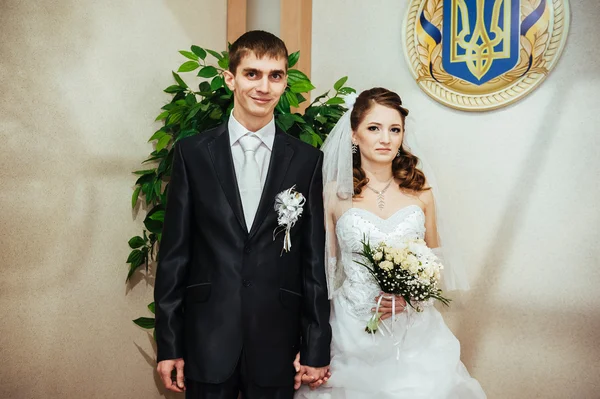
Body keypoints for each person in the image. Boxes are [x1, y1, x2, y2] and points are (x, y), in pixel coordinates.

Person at [154, 30, 331, 399]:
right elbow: (174, 257)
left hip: (277, 342)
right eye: (252, 73)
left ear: (285, 81)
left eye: (275, 75)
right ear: (230, 78)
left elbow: (313, 263)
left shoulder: (306, 161)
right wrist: (170, 343)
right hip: (207, 339)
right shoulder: (192, 153)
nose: (264, 86)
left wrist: (315, 346)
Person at [295, 88, 486, 398]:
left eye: (394, 129)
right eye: (374, 128)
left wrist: (408, 296)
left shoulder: (421, 193)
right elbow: (323, 274)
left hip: (413, 333)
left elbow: (433, 264)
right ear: (354, 135)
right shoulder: (333, 195)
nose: (385, 138)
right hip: (350, 329)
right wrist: (309, 341)